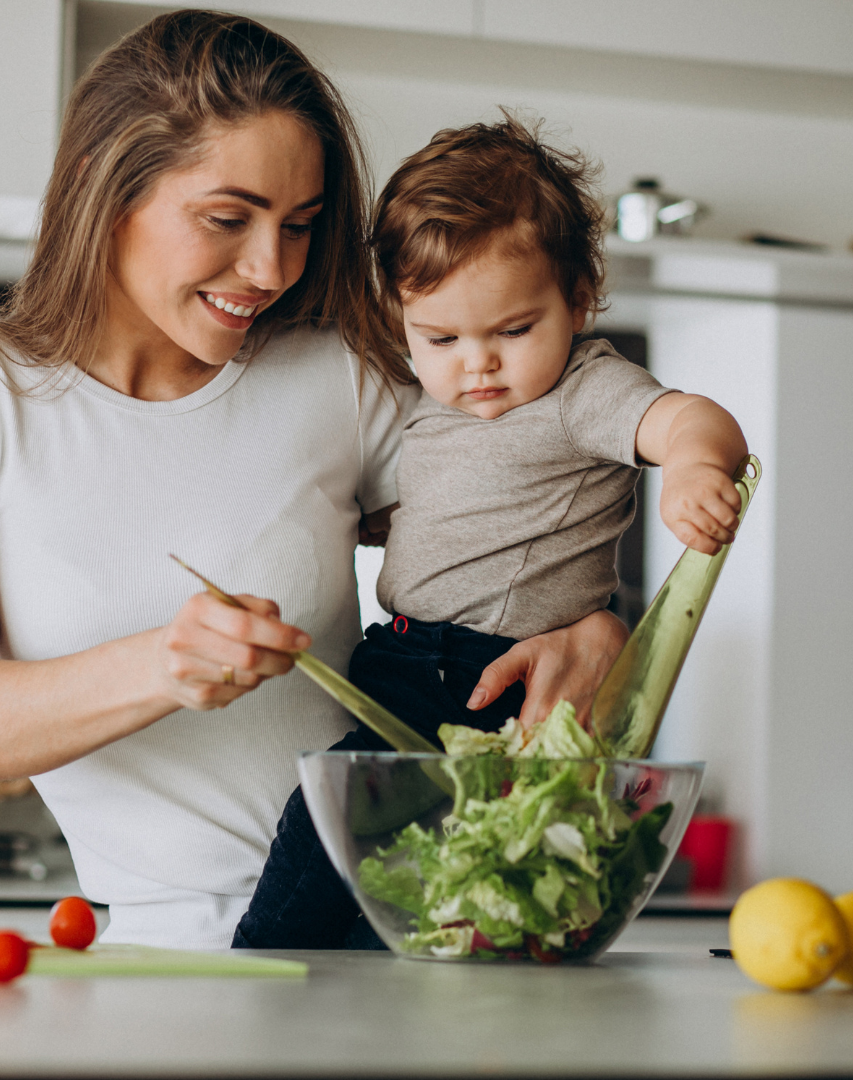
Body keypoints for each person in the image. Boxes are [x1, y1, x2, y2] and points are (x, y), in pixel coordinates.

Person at [0, 16, 629, 951]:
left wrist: (597, 629)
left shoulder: (334, 374)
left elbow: (518, 527)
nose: (272, 268)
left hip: (421, 926)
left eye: (300, 225)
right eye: (227, 219)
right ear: (110, 188)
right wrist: (164, 663)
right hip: (174, 959)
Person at [234, 116, 747, 950]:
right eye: (440, 338)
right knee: (392, 872)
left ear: (578, 298)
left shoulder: (582, 389)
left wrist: (694, 467)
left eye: (513, 331)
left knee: (335, 838)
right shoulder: (439, 403)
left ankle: (269, 969)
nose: (479, 365)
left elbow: (690, 418)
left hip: (481, 679)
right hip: (399, 658)